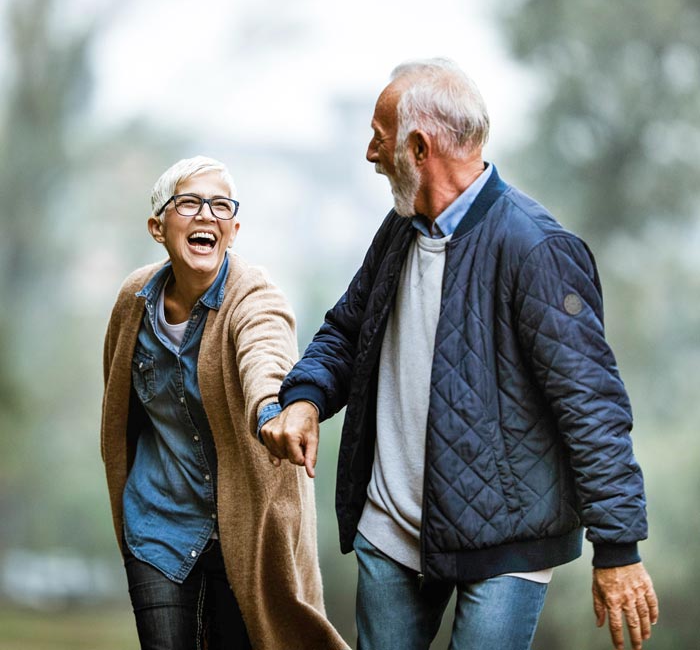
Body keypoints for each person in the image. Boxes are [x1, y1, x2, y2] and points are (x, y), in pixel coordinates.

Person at [260, 60, 659, 650]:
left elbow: (591, 406)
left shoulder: (536, 248)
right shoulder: (398, 230)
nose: (370, 153)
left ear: (418, 147)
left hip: (506, 544)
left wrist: (618, 549)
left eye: (379, 135)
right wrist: (305, 398)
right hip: (390, 533)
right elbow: (347, 330)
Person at [101, 156, 349, 650]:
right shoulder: (134, 301)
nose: (205, 215)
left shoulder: (253, 295)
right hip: (157, 522)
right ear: (158, 226)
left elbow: (266, 356)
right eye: (189, 202)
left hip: (245, 530)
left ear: (233, 230)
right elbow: (118, 404)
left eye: (219, 206)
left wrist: (271, 413)